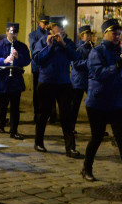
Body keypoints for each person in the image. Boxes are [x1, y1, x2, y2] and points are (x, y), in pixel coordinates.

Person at [81, 19, 122, 188]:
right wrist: (115, 67)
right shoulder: (97, 52)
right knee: (96, 137)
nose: (117, 37)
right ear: (106, 34)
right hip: (99, 102)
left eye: (119, 34)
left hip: (117, 101)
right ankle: (86, 168)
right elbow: (97, 73)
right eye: (114, 34)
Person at [31, 16, 81, 156]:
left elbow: (76, 57)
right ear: (52, 28)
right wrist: (49, 47)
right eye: (59, 27)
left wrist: (64, 45)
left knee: (67, 116)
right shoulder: (42, 41)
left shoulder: (68, 42)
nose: (62, 30)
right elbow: (37, 60)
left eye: (63, 27)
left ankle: (70, 147)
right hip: (46, 82)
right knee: (43, 114)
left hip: (64, 83)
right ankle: (38, 142)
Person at [0, 22, 30, 139]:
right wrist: (4, 60)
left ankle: (14, 129)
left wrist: (18, 57)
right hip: (3, 78)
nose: (13, 34)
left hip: (16, 79)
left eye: (15, 32)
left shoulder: (21, 46)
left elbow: (27, 60)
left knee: (15, 106)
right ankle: (1, 125)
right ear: (7, 31)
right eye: (11, 32)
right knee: (2, 104)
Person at [70, 24, 95, 137]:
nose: (89, 37)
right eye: (87, 35)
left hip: (89, 80)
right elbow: (75, 64)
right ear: (82, 36)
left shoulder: (92, 47)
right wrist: (89, 62)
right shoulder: (78, 48)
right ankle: (70, 127)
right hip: (79, 80)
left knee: (93, 105)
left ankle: (96, 128)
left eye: (90, 34)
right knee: (75, 106)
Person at [28, 15, 50, 120]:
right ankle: (37, 113)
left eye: (47, 23)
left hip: (48, 66)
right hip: (37, 66)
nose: (46, 25)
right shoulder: (33, 34)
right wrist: (45, 38)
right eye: (44, 23)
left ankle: (49, 113)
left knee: (48, 91)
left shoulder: (50, 33)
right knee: (37, 91)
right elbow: (33, 49)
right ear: (39, 23)